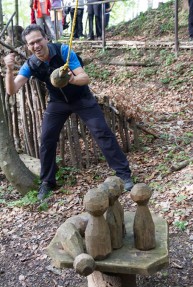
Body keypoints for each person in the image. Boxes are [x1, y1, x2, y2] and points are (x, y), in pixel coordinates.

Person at [4, 24, 133, 200]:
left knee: (101, 132)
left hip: (82, 98)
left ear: (46, 39)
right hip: (57, 102)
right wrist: (10, 70)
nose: (36, 46)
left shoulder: (63, 51)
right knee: (47, 138)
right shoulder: (31, 64)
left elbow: (84, 78)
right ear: (28, 46)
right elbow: (12, 90)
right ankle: (48, 182)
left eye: (38, 40)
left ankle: (124, 174)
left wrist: (70, 78)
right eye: (31, 43)